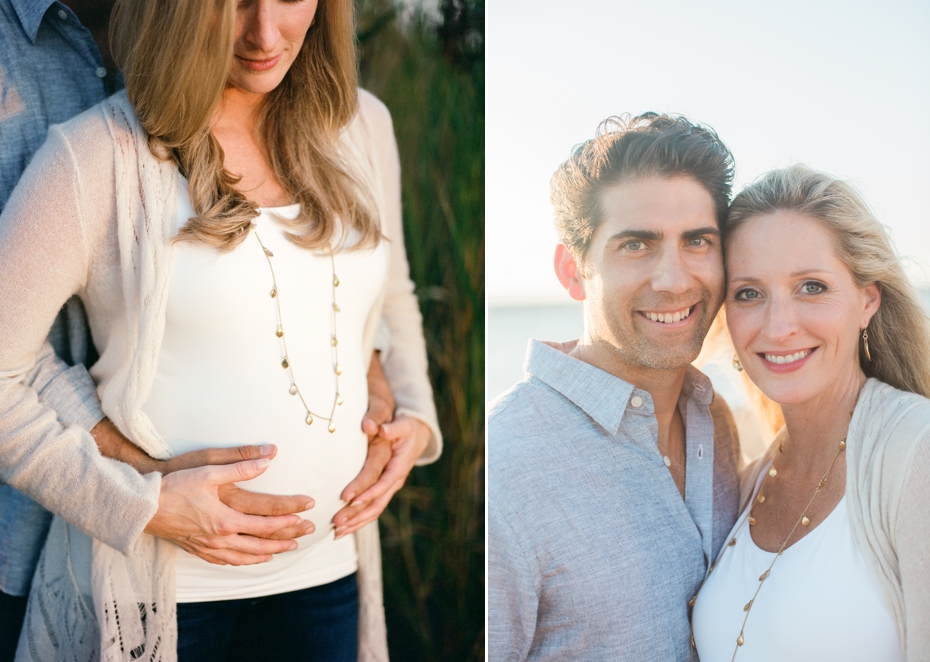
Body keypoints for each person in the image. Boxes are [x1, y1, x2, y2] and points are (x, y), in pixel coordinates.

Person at [0, 0, 441, 658]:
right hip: (172, 594)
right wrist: (141, 506)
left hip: (328, 574)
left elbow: (393, 295)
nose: (265, 34)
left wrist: (415, 419)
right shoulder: (97, 156)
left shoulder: (362, 125)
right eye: (232, 4)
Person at [487, 113, 741, 660]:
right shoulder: (506, 465)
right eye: (636, 245)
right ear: (573, 270)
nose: (674, 279)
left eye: (697, 240)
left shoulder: (716, 425)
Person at [692, 165, 930, 661]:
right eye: (749, 293)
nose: (779, 328)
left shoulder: (915, 450)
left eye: (812, 287)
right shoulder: (752, 476)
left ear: (867, 300)